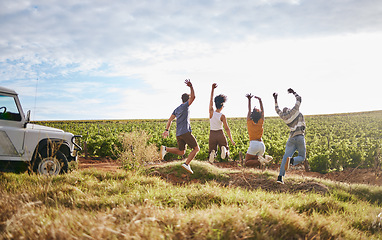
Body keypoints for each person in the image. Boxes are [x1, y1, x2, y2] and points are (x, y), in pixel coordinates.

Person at [160, 79, 199, 174]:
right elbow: (194, 97)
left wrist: (167, 130)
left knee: (182, 151)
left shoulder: (176, 109)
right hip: (185, 132)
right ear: (187, 99)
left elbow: (170, 120)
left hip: (179, 134)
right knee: (196, 149)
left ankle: (166, 149)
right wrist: (191, 86)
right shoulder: (186, 106)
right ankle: (186, 164)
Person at [273, 88, 307, 184]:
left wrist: (275, 99)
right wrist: (294, 93)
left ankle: (280, 178)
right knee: (301, 157)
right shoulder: (294, 111)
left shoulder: (284, 117)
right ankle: (292, 161)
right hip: (300, 136)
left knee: (285, 157)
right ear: (288, 109)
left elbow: (277, 110)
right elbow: (299, 99)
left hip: (291, 138)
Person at [208, 83, 235, 163]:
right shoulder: (222, 116)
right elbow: (227, 129)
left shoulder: (211, 112)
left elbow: (210, 100)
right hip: (220, 133)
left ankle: (213, 152)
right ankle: (224, 148)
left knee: (212, 149)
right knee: (225, 149)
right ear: (222, 106)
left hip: (212, 134)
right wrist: (231, 140)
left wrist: (212, 89)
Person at [244, 93, 272, 168]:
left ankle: (261, 160)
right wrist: (260, 100)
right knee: (256, 162)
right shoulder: (261, 121)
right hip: (261, 145)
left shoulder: (249, 121)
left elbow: (249, 110)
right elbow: (263, 111)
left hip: (254, 144)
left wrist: (249, 100)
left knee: (247, 162)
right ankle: (263, 159)